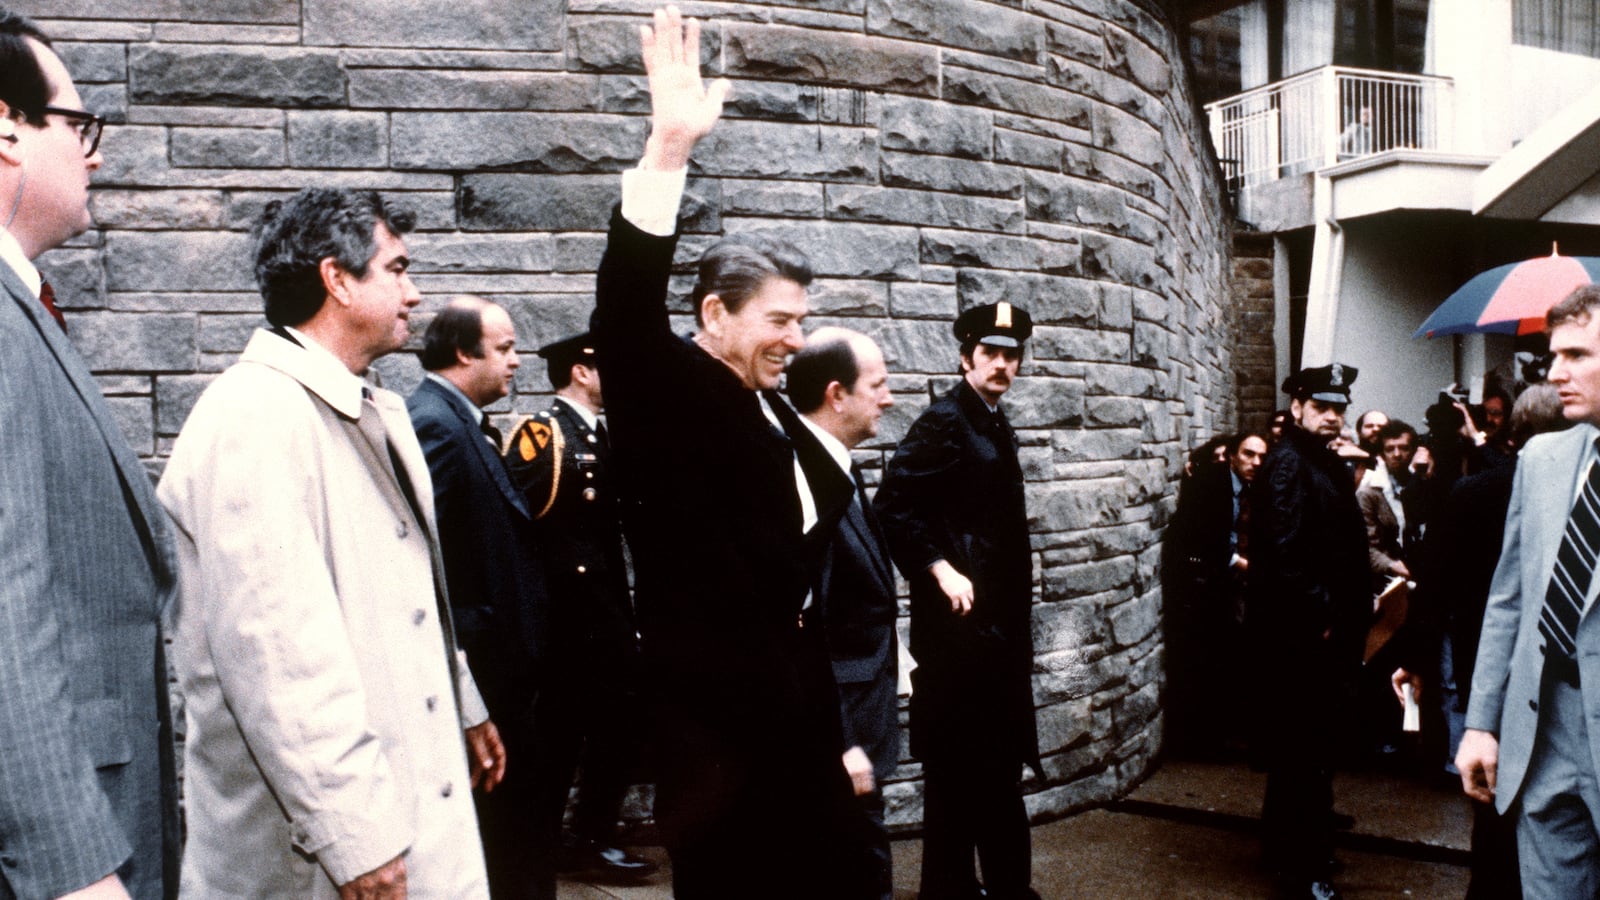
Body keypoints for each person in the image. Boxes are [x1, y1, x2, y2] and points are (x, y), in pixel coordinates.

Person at [158, 188, 504, 898]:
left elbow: (403, 592)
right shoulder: (254, 417)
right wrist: (354, 833)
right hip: (319, 859)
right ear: (336, 279)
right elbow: (276, 653)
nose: (414, 293)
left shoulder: (366, 405)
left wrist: (460, 701)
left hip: (400, 808)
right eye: (397, 269)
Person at [586, 8, 856, 897]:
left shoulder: (773, 412)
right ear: (713, 317)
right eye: (779, 320)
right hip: (722, 754)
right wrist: (668, 149)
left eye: (802, 321)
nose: (796, 338)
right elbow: (626, 313)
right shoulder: (670, 392)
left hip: (800, 738)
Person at [0, 10, 181, 899]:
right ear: (5, 131)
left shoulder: (25, 307)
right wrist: (69, 863)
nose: (95, 154)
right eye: (79, 127)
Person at [876, 301, 1043, 900]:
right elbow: (892, 506)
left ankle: (974, 888)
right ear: (965, 356)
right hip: (959, 639)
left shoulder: (992, 421)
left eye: (1011, 354)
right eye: (990, 353)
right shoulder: (947, 419)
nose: (1002, 364)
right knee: (970, 774)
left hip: (992, 637)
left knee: (984, 772)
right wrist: (937, 566)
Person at [1393, 383, 1567, 900]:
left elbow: (1435, 585)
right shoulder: (1489, 490)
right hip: (1530, 675)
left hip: (1491, 678)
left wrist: (1414, 660)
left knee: (1494, 808)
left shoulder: (1478, 491)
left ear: (1514, 431)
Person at [1458, 285, 1600, 898]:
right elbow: (1509, 601)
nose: (1554, 373)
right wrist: (1482, 724)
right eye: (1553, 355)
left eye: (1575, 355)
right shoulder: (1541, 459)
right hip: (1545, 742)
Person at [501, 332, 656, 890]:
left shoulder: (602, 435)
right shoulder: (545, 434)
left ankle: (592, 836)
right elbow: (517, 529)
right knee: (560, 735)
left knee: (618, 724)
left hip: (604, 615)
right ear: (583, 373)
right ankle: (551, 844)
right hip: (567, 620)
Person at [408, 297, 549, 899]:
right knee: (501, 845)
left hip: (504, 677)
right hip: (482, 678)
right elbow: (421, 550)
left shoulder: (464, 422)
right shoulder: (434, 424)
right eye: (506, 347)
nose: (517, 361)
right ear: (464, 352)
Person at [785, 327, 902, 900]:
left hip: (858, 713)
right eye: (877, 385)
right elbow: (798, 627)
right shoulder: (803, 479)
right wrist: (836, 741)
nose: (889, 397)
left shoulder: (837, 464)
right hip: (838, 727)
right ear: (837, 394)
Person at [1247, 363, 1371, 900]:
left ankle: (1285, 847)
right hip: (1303, 637)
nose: (1333, 418)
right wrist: (1322, 616)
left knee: (1302, 751)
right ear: (1296, 408)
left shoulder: (1315, 460)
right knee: (1306, 753)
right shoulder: (1289, 464)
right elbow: (1286, 552)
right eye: (1323, 408)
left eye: (1339, 409)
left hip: (1313, 633)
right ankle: (1304, 870)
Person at [1165, 432, 1267, 758]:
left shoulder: (1257, 490)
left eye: (1261, 457)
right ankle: (1201, 742)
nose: (1255, 463)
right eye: (1248, 455)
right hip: (1203, 585)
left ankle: (1227, 732)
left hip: (1233, 583)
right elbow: (1199, 535)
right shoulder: (1210, 482)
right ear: (1233, 456)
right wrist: (1240, 563)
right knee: (1203, 661)